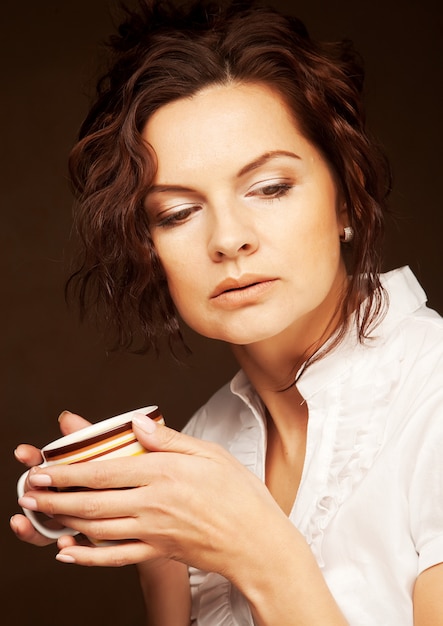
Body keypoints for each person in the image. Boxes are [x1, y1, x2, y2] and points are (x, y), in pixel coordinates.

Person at [11, 0, 443, 624]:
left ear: (348, 196)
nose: (227, 239)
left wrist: (261, 554)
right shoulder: (203, 443)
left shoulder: (431, 397)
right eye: (177, 213)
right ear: (149, 248)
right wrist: (158, 543)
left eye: (269, 187)